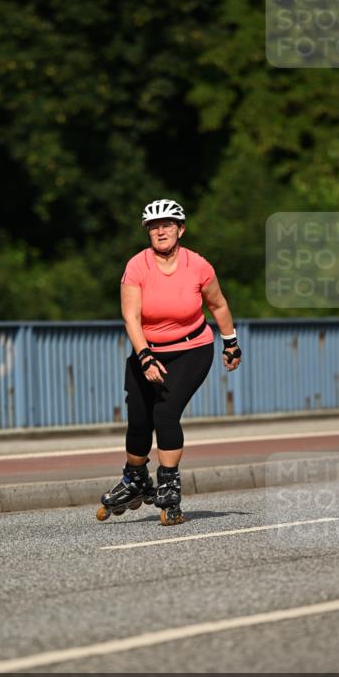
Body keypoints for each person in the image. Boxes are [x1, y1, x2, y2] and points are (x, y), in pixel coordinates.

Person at [97, 198, 241, 527]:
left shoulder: (198, 266)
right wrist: (145, 356)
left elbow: (218, 306)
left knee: (165, 412)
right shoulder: (137, 266)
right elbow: (131, 317)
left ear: (180, 229)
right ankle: (136, 480)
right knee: (137, 419)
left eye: (167, 225)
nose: (160, 231)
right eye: (154, 227)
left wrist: (231, 343)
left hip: (192, 349)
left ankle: (169, 486)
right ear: (148, 232)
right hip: (148, 350)